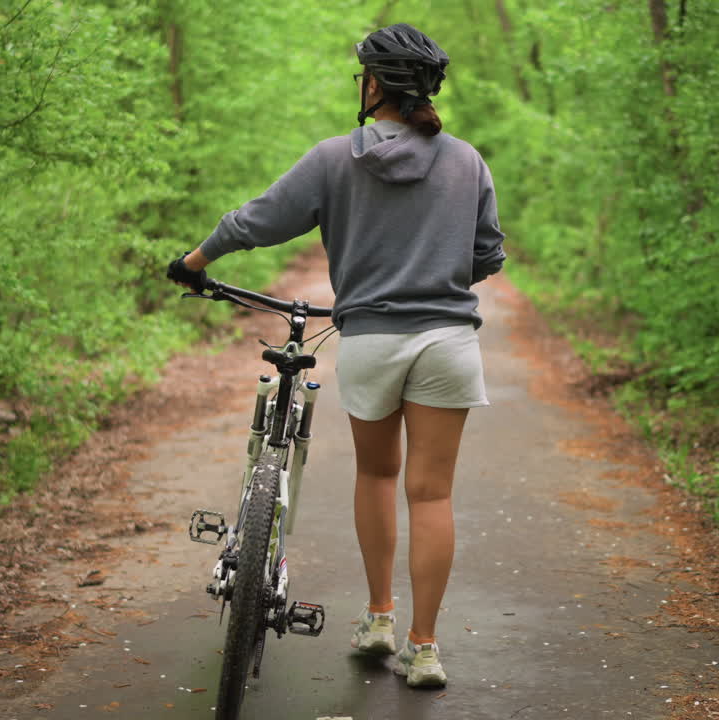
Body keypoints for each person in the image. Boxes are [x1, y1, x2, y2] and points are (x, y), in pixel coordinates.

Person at [167, 23, 505, 688]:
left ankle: (379, 617)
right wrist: (432, 270)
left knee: (379, 477)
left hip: (374, 341)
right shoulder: (467, 161)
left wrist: (193, 262)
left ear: (373, 85)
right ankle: (425, 647)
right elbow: (488, 254)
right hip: (448, 343)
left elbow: (256, 221)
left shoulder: (334, 159)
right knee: (431, 494)